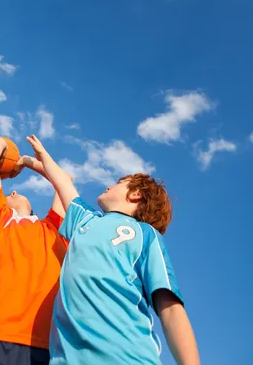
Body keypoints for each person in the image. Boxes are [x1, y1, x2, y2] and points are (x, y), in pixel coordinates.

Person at [26, 134, 201, 365]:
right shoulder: (84, 220)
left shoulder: (146, 235)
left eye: (119, 183)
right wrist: (40, 158)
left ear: (136, 194)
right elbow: (64, 183)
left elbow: (169, 308)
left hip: (127, 357)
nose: (109, 185)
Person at [0, 137, 68, 365]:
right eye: (7, 195)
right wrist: (3, 147)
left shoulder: (53, 228)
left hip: (44, 342)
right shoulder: (0, 222)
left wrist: (27, 161)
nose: (13, 191)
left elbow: (64, 181)